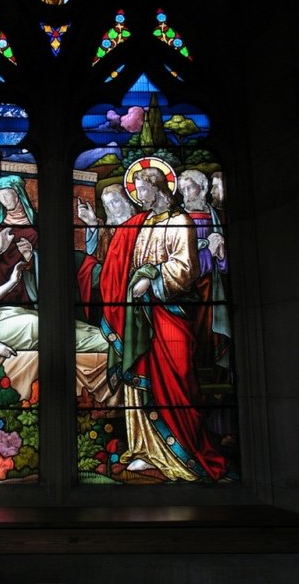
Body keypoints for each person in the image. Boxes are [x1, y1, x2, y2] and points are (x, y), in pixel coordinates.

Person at [99, 165, 228, 481]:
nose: (137, 196)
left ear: (157, 188)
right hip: (139, 315)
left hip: (170, 312)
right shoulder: (140, 225)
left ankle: (181, 451)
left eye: (141, 189)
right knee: (141, 377)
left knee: (178, 378)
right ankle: (145, 448)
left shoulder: (179, 221)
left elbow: (186, 269)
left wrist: (151, 276)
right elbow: (121, 262)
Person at [178, 169, 231, 377]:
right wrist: (205, 247)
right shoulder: (178, 218)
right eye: (182, 190)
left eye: (189, 188)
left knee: (209, 325)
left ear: (203, 188)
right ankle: (191, 370)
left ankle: (213, 370)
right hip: (185, 284)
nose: (186, 194)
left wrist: (220, 253)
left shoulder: (216, 217)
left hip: (211, 284)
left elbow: (225, 265)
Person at [75, 184, 137, 324]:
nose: (113, 207)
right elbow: (93, 254)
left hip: (132, 280)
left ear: (126, 200)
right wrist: (91, 224)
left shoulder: (141, 225)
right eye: (108, 204)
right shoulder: (107, 231)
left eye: (115, 201)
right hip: (110, 283)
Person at [0, 175, 39, 306]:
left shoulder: (38, 225)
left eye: (6, 195)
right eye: (0, 197)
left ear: (18, 194)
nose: (3, 200)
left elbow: (51, 262)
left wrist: (31, 257)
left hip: (27, 289)